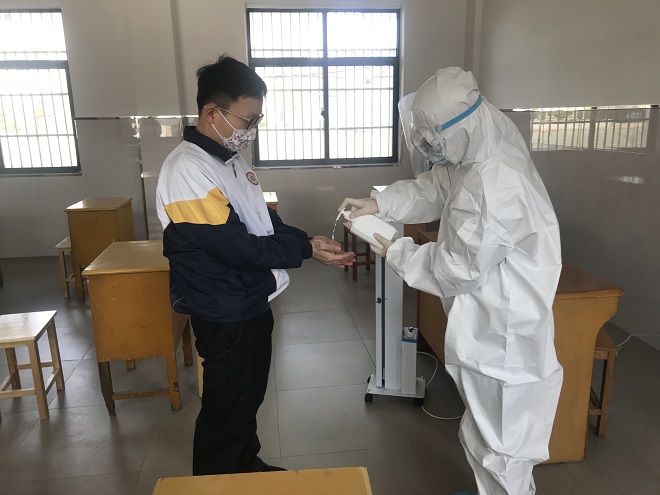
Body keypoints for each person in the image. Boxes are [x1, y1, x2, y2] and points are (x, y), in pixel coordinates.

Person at [340, 67, 563, 495]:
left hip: (503, 339)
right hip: (493, 323)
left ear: (457, 128)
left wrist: (396, 248)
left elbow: (454, 270)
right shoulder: (483, 140)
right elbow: (440, 185)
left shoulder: (494, 186)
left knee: (502, 449)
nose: (428, 148)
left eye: (432, 139)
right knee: (488, 438)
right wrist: (381, 202)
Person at [156, 55, 355, 476]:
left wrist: (307, 240)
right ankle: (215, 481)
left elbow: (263, 222)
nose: (250, 131)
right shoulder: (187, 170)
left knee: (247, 398)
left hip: (249, 298)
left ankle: (244, 465)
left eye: (256, 121)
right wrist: (305, 252)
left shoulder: (229, 160)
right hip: (223, 307)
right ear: (212, 113)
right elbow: (236, 248)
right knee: (226, 406)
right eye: (247, 120)